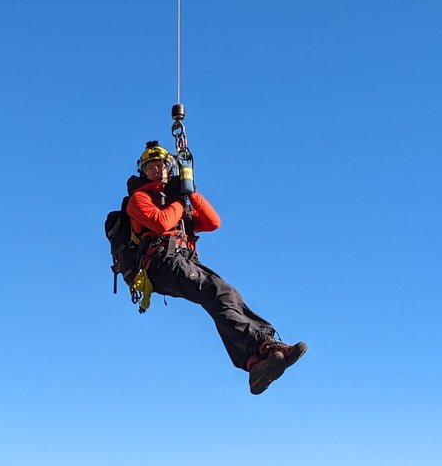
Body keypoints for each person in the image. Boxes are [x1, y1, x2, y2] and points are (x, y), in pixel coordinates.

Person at [125, 142, 307, 395]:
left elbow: (213, 222)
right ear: (143, 170)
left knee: (228, 294)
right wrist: (180, 198)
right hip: (160, 261)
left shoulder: (175, 198)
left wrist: (191, 192)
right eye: (150, 166)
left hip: (183, 259)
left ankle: (255, 361)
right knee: (215, 292)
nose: (156, 169)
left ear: (169, 167)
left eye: (160, 164)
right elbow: (160, 222)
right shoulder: (139, 198)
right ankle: (262, 347)